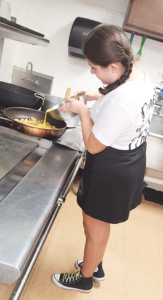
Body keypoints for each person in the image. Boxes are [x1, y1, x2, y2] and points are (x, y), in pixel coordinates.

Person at [52, 24, 155, 293]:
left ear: (113, 66)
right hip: (131, 162)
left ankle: (85, 278)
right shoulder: (140, 76)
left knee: (94, 223)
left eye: (94, 67)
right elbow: (119, 96)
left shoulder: (121, 100)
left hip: (111, 170)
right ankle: (93, 263)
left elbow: (94, 145)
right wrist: (94, 95)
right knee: (101, 221)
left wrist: (83, 112)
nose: (91, 71)